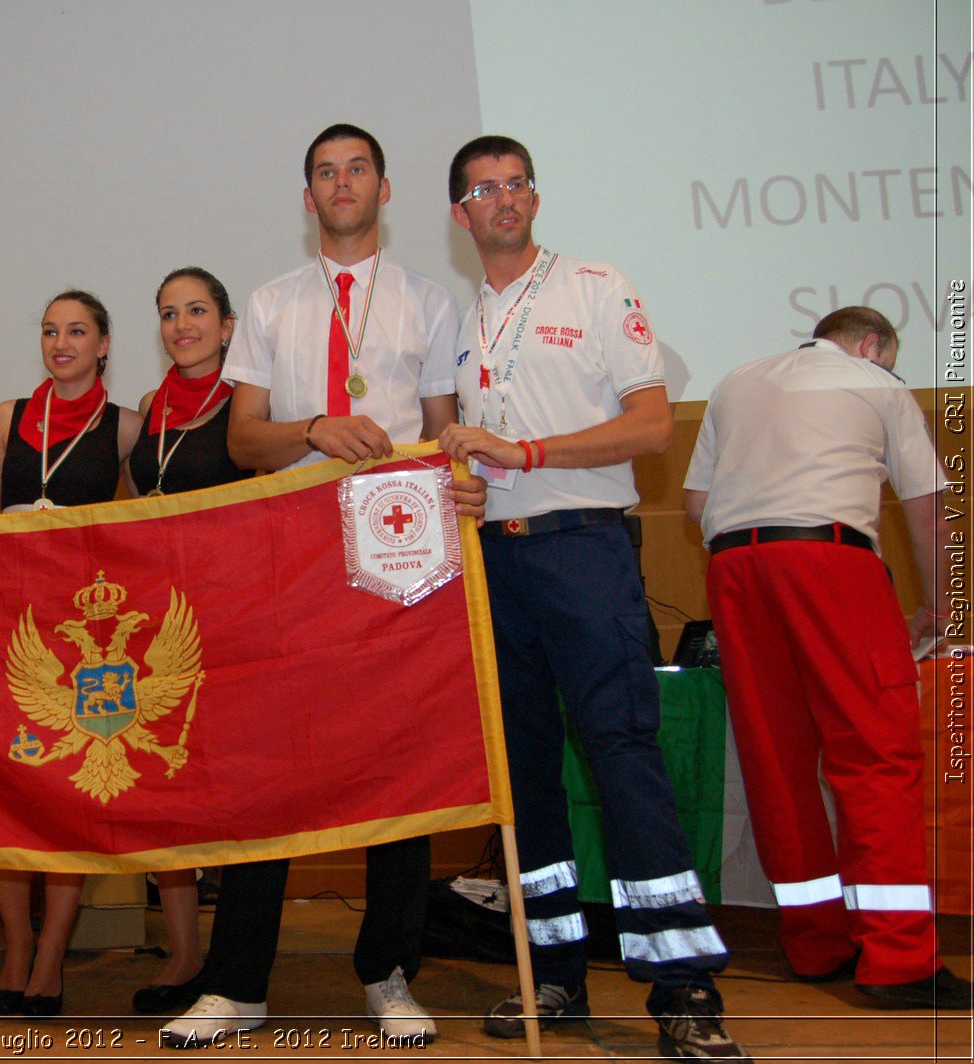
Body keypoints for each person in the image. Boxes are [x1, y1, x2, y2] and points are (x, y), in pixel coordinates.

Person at [163, 123, 471, 1048]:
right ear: (309, 198)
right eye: (326, 173)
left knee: (399, 764)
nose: (342, 184)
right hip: (290, 556)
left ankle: (387, 972)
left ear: (383, 187)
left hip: (400, 555)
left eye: (358, 169)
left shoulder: (430, 301)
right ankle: (239, 983)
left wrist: (461, 473)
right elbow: (241, 439)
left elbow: (445, 432)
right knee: (270, 762)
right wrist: (313, 430)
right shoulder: (270, 303)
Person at [437, 135, 744, 1059]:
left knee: (622, 755)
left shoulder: (596, 285)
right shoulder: (460, 322)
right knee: (525, 774)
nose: (503, 200)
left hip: (585, 551)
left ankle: (684, 987)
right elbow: (460, 451)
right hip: (498, 561)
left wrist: (526, 455)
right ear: (459, 215)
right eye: (484, 190)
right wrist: (465, 482)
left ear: (534, 197)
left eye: (516, 184)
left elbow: (651, 425)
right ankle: (554, 977)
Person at [683, 306, 972, 1011]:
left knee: (777, 763)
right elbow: (929, 512)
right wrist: (939, 610)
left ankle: (816, 946)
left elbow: (696, 502)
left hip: (736, 568)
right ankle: (899, 962)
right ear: (871, 345)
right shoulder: (876, 383)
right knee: (878, 754)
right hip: (829, 561)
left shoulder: (735, 381)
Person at [0, 289, 142, 1016]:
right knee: (11, 793)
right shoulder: (9, 416)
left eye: (76, 332)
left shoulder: (126, 427)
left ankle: (51, 955)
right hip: (13, 628)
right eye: (48, 331)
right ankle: (14, 946)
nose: (59, 343)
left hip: (83, 640)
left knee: (63, 801)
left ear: (103, 345)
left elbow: (138, 531)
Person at [123, 268, 248, 1013]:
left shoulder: (247, 406)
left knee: (226, 791)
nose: (182, 325)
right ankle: (184, 954)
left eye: (197, 311)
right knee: (168, 794)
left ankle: (234, 956)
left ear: (228, 325)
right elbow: (126, 512)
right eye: (168, 313)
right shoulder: (147, 408)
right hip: (158, 626)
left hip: (229, 624)